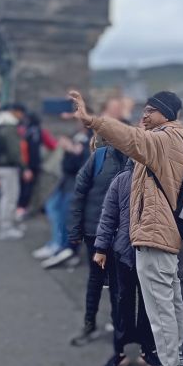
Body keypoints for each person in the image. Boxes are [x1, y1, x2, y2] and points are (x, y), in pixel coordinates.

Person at [69, 89, 183, 366]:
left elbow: (131, 139)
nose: (144, 115)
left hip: (154, 236)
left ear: (166, 113)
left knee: (161, 313)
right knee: (172, 306)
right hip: (161, 235)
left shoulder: (164, 140)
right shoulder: (172, 139)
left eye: (151, 110)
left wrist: (93, 120)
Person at [93, 161, 159, 366]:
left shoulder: (161, 179)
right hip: (124, 252)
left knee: (149, 305)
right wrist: (101, 248)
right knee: (121, 302)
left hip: (152, 252)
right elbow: (108, 216)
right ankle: (119, 351)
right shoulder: (122, 180)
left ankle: (147, 350)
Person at [63, 138, 129, 344]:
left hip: (121, 233)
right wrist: (75, 229)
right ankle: (90, 324)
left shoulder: (137, 158)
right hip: (94, 230)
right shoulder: (99, 157)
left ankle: (118, 329)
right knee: (96, 279)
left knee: (118, 283)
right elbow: (79, 193)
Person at [37, 121, 89, 267]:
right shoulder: (77, 138)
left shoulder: (87, 143)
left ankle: (67, 249)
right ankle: (59, 245)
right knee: (57, 210)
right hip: (66, 182)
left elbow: (80, 166)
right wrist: (71, 150)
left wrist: (72, 150)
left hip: (74, 185)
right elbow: (67, 165)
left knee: (68, 217)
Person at [0, 103, 31, 240]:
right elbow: (14, 151)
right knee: (10, 198)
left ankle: (7, 225)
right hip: (8, 166)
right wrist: (24, 167)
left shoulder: (0, 123)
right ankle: (6, 228)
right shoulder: (9, 127)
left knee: (6, 197)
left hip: (1, 165)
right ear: (16, 112)